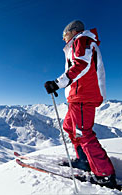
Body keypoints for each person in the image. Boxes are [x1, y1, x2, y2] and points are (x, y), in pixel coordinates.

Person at [44, 20, 117, 188]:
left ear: (73, 31)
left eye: (64, 35)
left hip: (84, 95)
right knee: (69, 127)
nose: (63, 39)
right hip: (78, 96)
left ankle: (104, 174)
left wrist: (57, 83)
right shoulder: (78, 43)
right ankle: (83, 160)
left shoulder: (82, 40)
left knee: (83, 133)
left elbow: (81, 65)